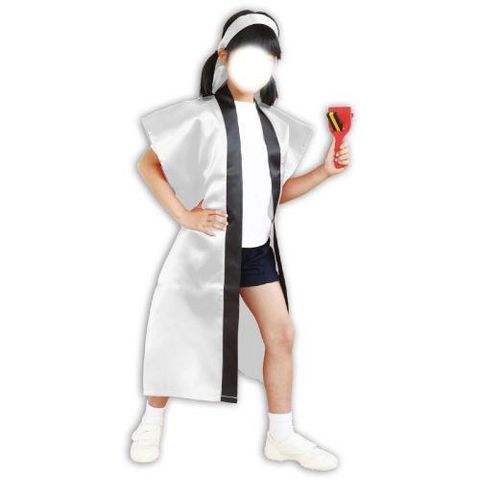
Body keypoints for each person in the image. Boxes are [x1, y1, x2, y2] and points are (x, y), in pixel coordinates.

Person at [130, 9, 350, 471]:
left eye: (267, 59)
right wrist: (184, 215)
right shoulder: (199, 117)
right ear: (224, 56)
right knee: (176, 333)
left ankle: (281, 435)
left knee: (282, 335)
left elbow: (274, 194)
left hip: (256, 253)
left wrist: (324, 172)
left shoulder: (277, 126)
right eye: (248, 55)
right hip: (205, 250)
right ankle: (150, 422)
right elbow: (148, 164)